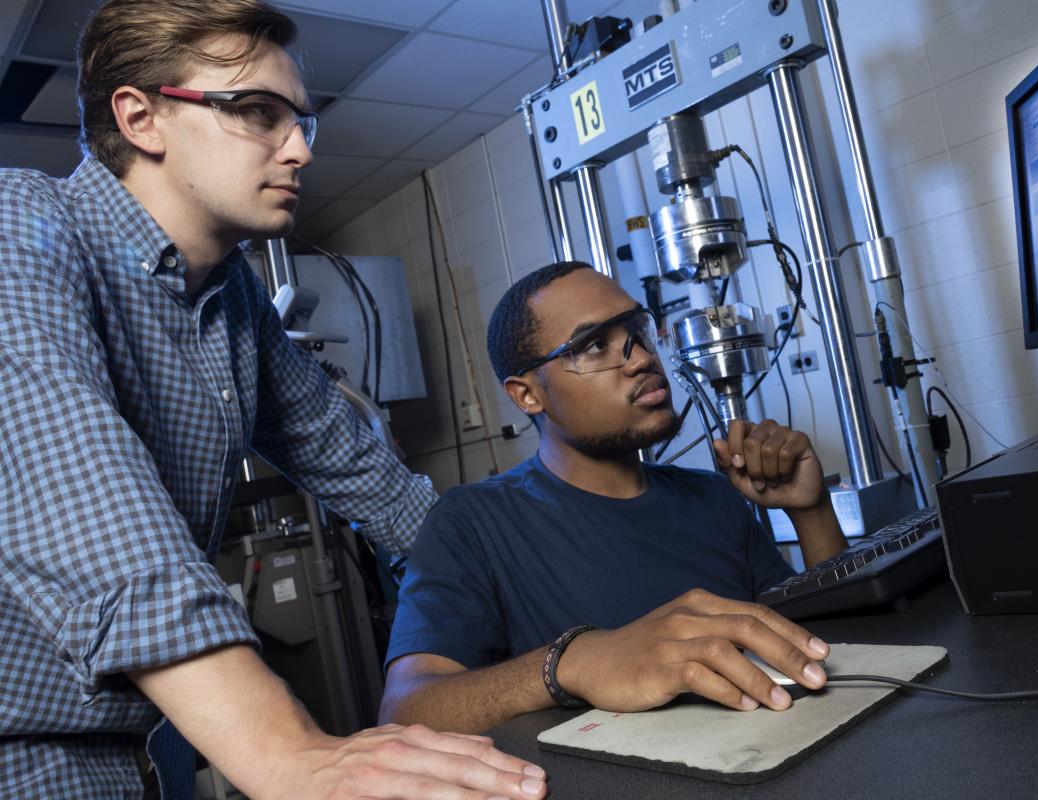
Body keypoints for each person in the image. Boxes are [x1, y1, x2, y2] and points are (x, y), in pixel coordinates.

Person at [0, 1, 547, 798]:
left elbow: (369, 476)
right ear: (141, 116)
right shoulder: (22, 223)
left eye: (301, 121)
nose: (298, 148)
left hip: (130, 756)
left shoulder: (233, 303)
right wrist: (289, 752)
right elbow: (78, 492)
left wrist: (546, 607)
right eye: (258, 112)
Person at [380, 261, 849, 734]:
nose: (642, 358)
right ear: (527, 395)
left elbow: (819, 648)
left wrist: (809, 512)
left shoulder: (712, 498)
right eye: (593, 345)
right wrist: (570, 663)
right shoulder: (474, 522)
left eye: (637, 330)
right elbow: (407, 712)